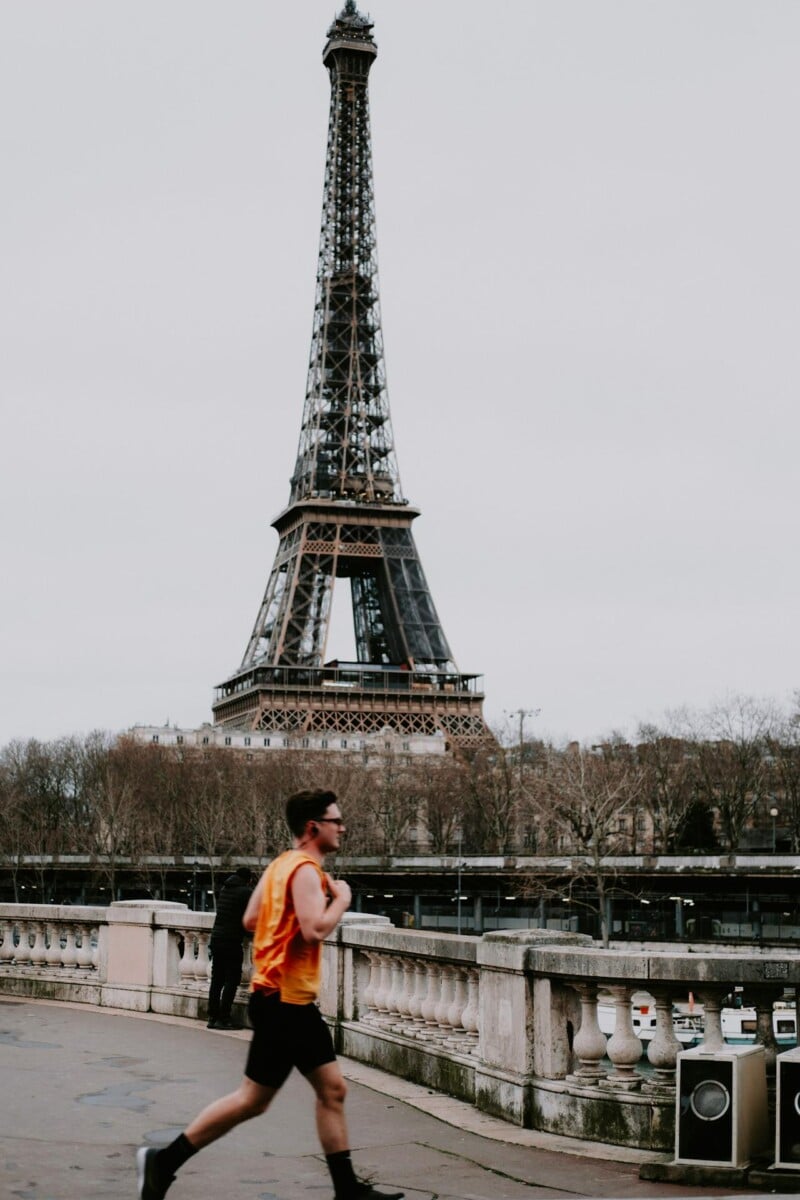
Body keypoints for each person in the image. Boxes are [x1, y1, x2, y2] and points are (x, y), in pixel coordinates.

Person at [136, 788, 404, 1200]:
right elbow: (316, 929)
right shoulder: (306, 872)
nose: (342, 827)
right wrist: (343, 900)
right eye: (336, 820)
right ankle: (163, 1162)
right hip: (285, 1003)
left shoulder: (280, 866)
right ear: (314, 827)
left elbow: (250, 918)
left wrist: (287, 925)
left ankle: (347, 1189)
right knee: (252, 1100)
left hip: (283, 999)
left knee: (330, 1090)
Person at [206, 866, 254, 1029]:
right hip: (231, 941)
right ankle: (224, 1018)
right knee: (232, 980)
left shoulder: (225, 889)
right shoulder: (245, 892)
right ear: (248, 879)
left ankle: (212, 1017)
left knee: (217, 979)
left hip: (216, 938)